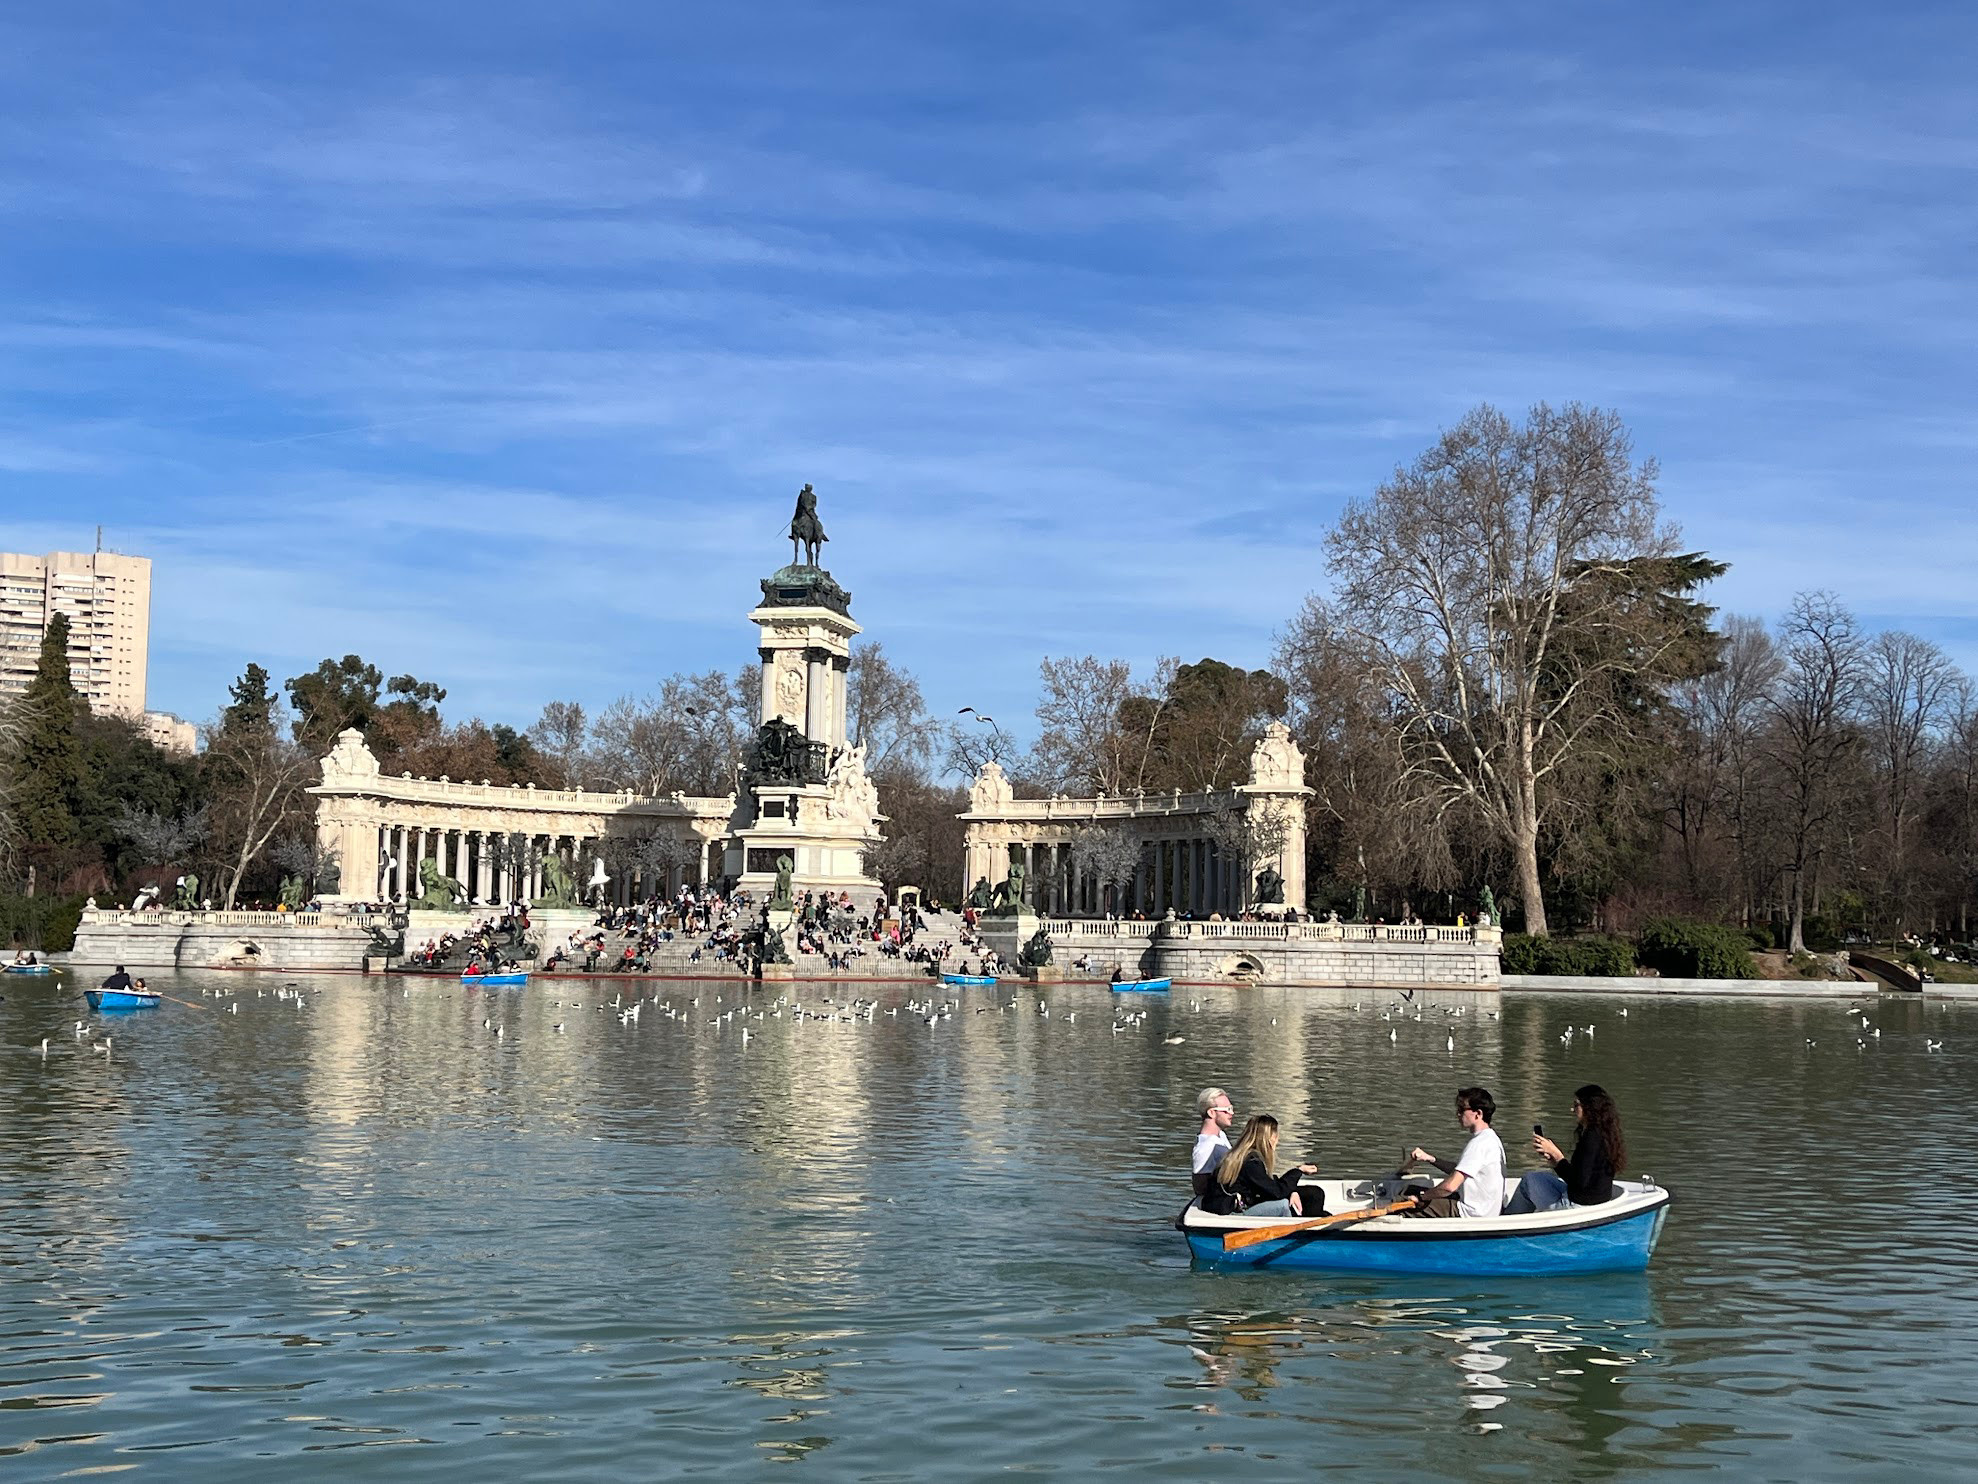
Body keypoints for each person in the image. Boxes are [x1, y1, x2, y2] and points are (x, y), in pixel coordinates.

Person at [1507, 1084, 1625, 1213]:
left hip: (1578, 1206)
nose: (1572, 1110)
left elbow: (1578, 1182)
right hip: (1596, 1200)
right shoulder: (1606, 1134)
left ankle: (1508, 1222)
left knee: (1527, 1182)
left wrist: (1557, 1155)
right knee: (1539, 1176)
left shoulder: (1591, 1138)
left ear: (1589, 1107)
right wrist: (1556, 1162)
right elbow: (1582, 1175)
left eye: (1576, 1105)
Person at [1400, 1086, 1505, 1218]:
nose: (1458, 1114)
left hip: (1470, 1213)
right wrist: (1431, 1159)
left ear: (1478, 1114)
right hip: (1485, 1209)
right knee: (1411, 1190)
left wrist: (1421, 1198)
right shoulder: (1491, 1138)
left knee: (1403, 1201)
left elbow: (1450, 1186)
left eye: (1462, 1110)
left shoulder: (1478, 1144)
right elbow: (1462, 1171)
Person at [1202, 1114, 1322, 1218]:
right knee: (1290, 1202)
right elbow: (1277, 1192)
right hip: (1235, 1212)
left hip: (1237, 1204)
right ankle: (1309, 1234)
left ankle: (1316, 1222)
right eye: (1276, 1137)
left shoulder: (1243, 1156)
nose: (1277, 1141)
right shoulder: (1251, 1163)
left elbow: (1267, 1184)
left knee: (1312, 1193)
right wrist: (1298, 1170)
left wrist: (1293, 1191)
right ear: (1270, 1139)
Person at [1191, 1087, 1236, 1198]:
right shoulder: (1205, 1147)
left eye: (1231, 1108)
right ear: (1211, 1112)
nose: (1232, 1113)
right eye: (1226, 1109)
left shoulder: (1221, 1135)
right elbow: (1200, 1187)